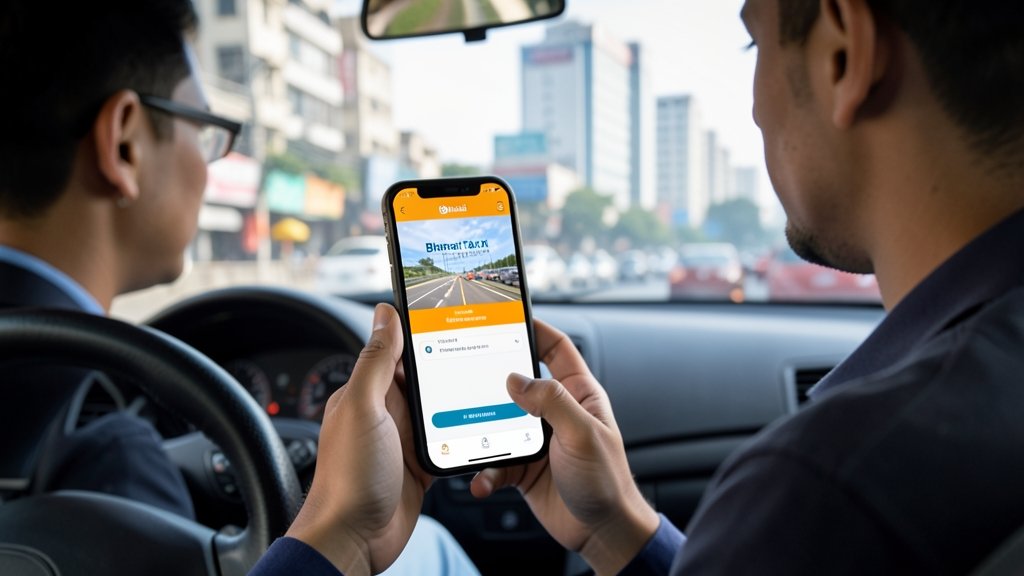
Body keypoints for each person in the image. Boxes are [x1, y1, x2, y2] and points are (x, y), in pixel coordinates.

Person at [248, 0, 1024, 574]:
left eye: (753, 40)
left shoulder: (826, 497)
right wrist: (618, 527)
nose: (754, 104)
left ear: (843, 55)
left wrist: (336, 537)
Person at [0, 2, 476, 574]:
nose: (208, 166)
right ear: (124, 144)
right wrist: (340, 535)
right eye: (205, 132)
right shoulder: (112, 459)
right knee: (432, 548)